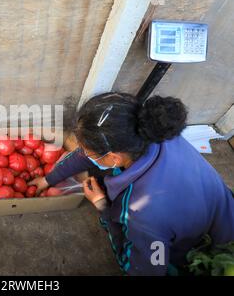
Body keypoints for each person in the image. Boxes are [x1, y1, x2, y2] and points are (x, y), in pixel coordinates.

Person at [29, 92, 234, 275]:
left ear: (115, 158)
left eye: (85, 148)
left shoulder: (141, 211)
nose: (82, 152)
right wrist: (49, 179)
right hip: (222, 212)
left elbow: (145, 269)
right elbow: (88, 153)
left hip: (210, 257)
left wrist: (103, 207)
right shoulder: (160, 134)